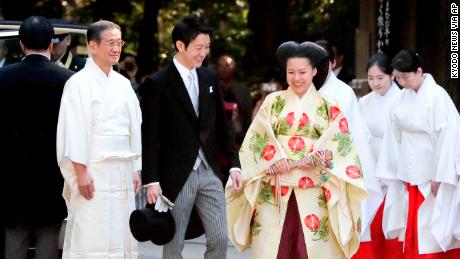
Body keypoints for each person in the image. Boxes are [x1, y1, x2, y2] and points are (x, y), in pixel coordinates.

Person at [226, 41, 367, 259]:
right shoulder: (273, 102)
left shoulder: (330, 106)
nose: (296, 77)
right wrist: (274, 157)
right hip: (276, 188)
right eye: (291, 72)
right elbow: (257, 138)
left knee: (310, 249)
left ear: (314, 71)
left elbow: (341, 145)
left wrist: (319, 155)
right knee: (275, 249)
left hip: (313, 189)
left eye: (302, 72)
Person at [139, 15, 242, 259]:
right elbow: (149, 135)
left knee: (219, 237)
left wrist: (235, 165)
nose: (203, 53)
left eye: (207, 47)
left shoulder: (209, 78)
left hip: (208, 170)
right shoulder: (157, 83)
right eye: (198, 48)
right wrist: (151, 180)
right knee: (174, 241)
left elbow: (223, 126)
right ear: (180, 45)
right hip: (176, 174)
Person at [56, 20, 142, 258]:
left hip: (122, 169)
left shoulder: (123, 84)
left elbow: (134, 127)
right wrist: (80, 171)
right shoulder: (78, 84)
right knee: (91, 233)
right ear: (93, 46)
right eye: (110, 43)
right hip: (92, 170)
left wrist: (136, 168)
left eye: (119, 43)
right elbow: (74, 130)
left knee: (121, 234)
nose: (116, 49)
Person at [0, 16, 74, 259]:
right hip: (52, 174)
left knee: (14, 239)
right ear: (51, 45)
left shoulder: (3, 77)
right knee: (48, 239)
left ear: (21, 44)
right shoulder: (67, 81)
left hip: (10, 175)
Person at [376, 49, 460, 257]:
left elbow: (448, 137)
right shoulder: (401, 99)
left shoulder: (436, 96)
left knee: (430, 221)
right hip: (408, 167)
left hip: (431, 166)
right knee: (411, 219)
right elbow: (393, 134)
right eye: (398, 78)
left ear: (419, 71)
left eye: (405, 77)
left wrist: (440, 175)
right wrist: (394, 167)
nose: (401, 82)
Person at [315, 39, 383, 244]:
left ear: (332, 63)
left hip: (338, 169)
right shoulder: (304, 90)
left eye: (321, 63)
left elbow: (352, 136)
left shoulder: (342, 93)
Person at [352, 53, 403, 259]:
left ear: (392, 75)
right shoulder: (364, 102)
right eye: (371, 79)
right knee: (370, 217)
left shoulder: (402, 99)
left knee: (393, 219)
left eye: (380, 78)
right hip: (369, 161)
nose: (375, 83)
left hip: (395, 163)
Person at [216, 54, 253, 146]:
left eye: (228, 65)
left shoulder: (242, 91)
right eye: (220, 65)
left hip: (238, 138)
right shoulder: (212, 89)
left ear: (234, 68)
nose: (224, 69)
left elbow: (248, 117)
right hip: (216, 140)